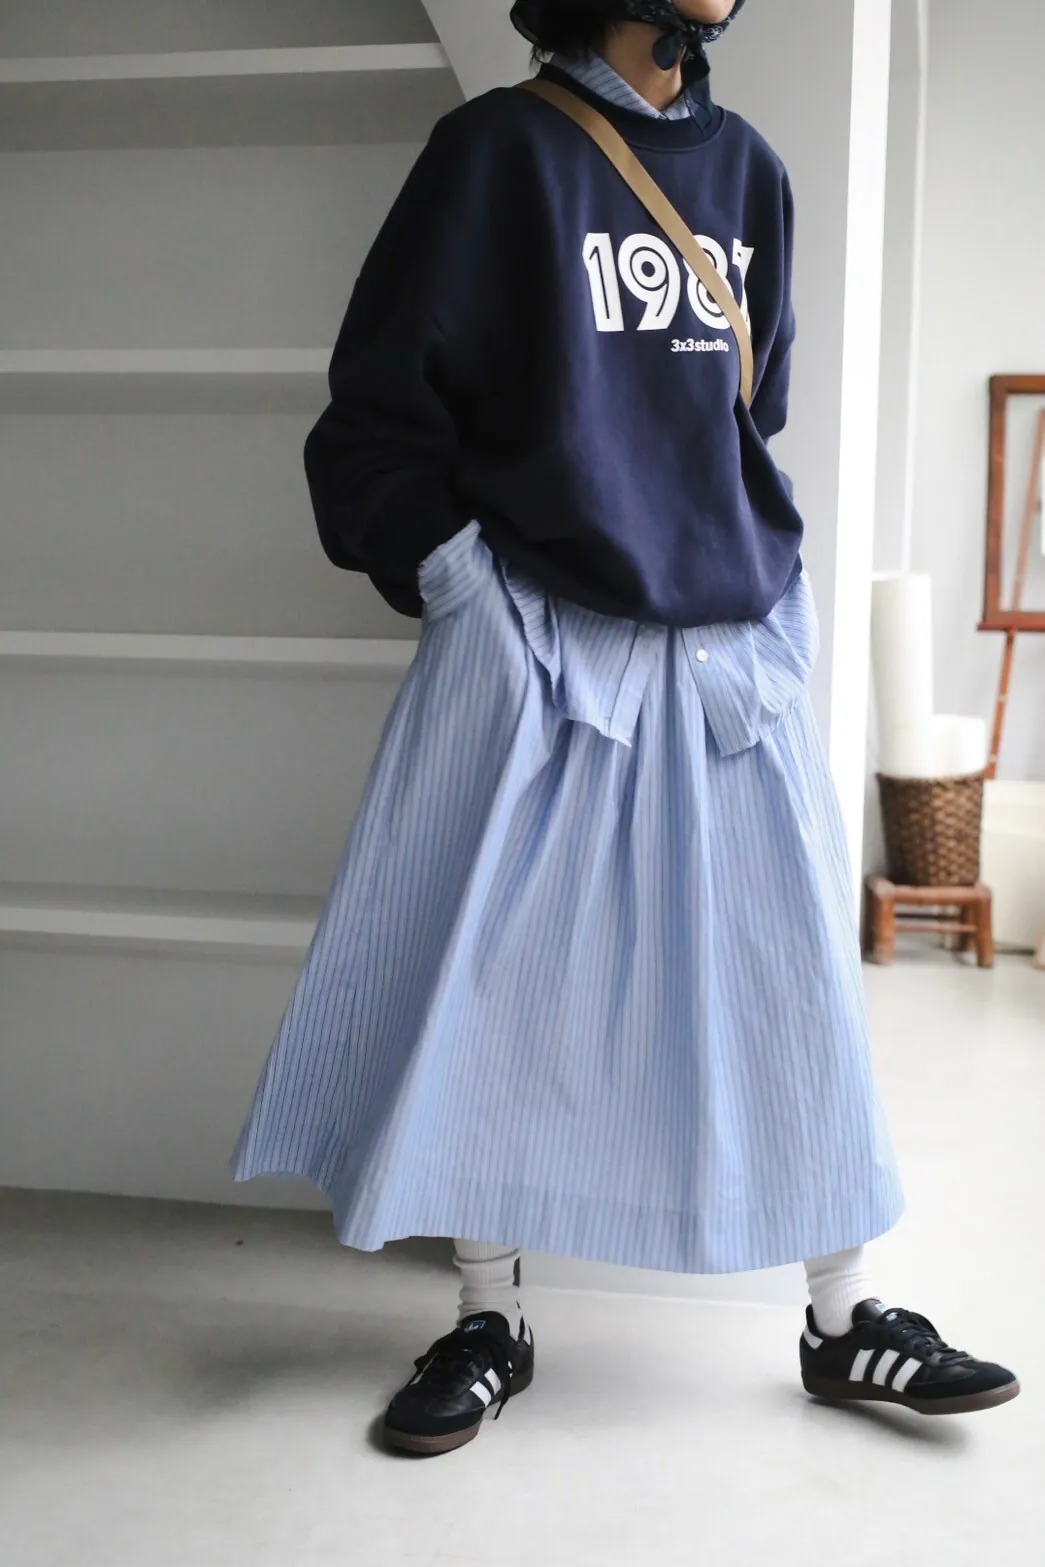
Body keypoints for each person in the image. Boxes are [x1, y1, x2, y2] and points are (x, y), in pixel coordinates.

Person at [232, 0, 1019, 1456]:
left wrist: (750, 587)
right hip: (544, 634)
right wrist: (466, 588)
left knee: (789, 978)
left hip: (725, 637)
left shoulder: (751, 171)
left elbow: (748, 411)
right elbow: (372, 421)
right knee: (490, 981)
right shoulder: (494, 154)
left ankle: (844, 1316)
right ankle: (489, 1314)